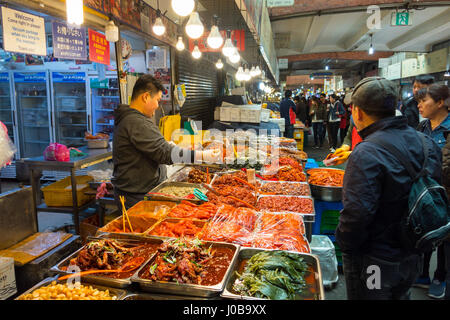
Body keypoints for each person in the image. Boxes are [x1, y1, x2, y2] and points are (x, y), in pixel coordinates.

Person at [335, 77, 442, 300]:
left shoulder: (366, 152)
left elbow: (356, 215)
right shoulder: (426, 142)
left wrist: (346, 246)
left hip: (376, 261)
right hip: (413, 255)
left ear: (358, 113)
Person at [112, 75, 219, 209]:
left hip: (137, 191)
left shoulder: (132, 119)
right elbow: (165, 153)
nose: (158, 106)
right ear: (145, 97)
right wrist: (201, 155)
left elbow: (155, 148)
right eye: (157, 100)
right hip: (135, 196)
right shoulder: (136, 121)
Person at [414, 84, 450, 298]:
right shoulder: (422, 127)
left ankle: (441, 277)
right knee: (425, 230)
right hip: (424, 191)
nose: (419, 105)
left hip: (446, 192)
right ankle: (423, 273)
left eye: (423, 101)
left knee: (445, 238)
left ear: (440, 103)